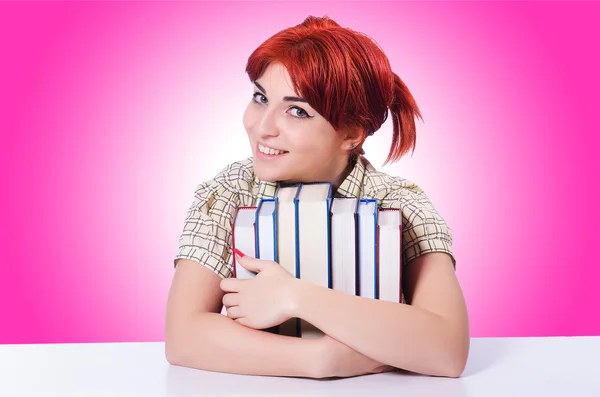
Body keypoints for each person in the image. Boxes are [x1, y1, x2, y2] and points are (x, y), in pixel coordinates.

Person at [165, 15, 469, 379]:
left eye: (297, 111)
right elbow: (183, 338)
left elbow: (447, 350)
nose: (263, 127)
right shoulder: (228, 191)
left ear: (351, 135)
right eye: (260, 98)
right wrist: (323, 360)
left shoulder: (400, 203)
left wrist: (295, 296)